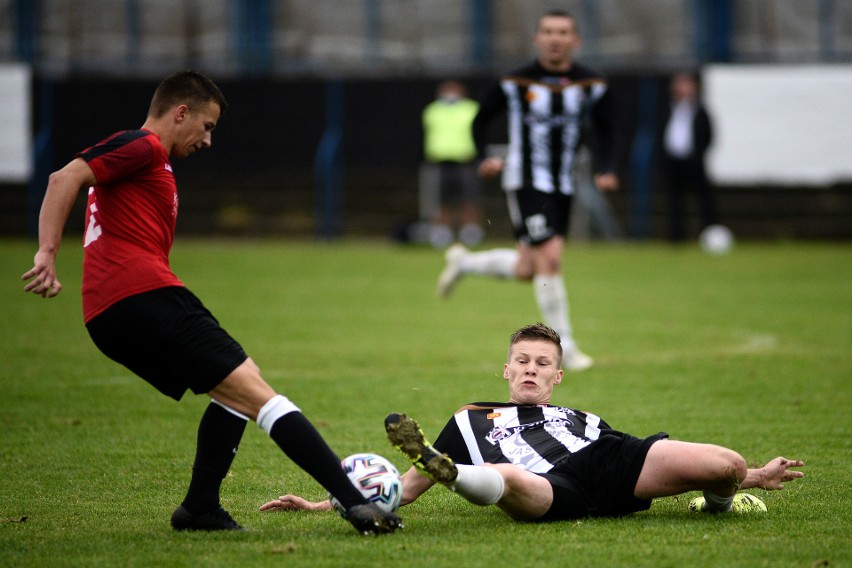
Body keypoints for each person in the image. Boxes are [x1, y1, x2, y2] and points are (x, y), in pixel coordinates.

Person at [21, 70, 401, 536]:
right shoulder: (144, 146)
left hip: (109, 313)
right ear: (181, 112)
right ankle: (358, 503)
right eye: (207, 126)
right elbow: (64, 177)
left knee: (237, 391)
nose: (208, 140)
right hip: (143, 296)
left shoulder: (147, 161)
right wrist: (47, 252)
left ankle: (200, 507)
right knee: (262, 397)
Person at [261, 323, 804, 521]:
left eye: (542, 363)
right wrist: (320, 502)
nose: (530, 369)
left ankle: (719, 502)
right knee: (511, 478)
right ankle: (457, 473)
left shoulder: (577, 415)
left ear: (557, 376)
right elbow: (400, 490)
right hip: (549, 487)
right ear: (506, 368)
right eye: (521, 361)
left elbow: (628, 450)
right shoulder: (469, 419)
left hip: (610, 459)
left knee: (725, 463)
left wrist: (751, 475)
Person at [436, 10, 619, 372]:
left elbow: (609, 128)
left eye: (563, 32)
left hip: (563, 183)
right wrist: (484, 156)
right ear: (537, 38)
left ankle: (465, 263)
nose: (555, 38)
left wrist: (608, 167)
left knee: (528, 268)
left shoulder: (591, 84)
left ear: (575, 41)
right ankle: (565, 345)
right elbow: (480, 118)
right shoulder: (515, 81)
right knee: (550, 258)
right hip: (524, 180)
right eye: (548, 31)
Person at [420, 80, 484, 248]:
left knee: (469, 199)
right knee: (441, 201)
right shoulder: (432, 110)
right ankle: (441, 235)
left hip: (465, 161)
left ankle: (471, 233)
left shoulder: (471, 109)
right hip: (440, 162)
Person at [661, 72, 717, 242]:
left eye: (687, 84)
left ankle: (711, 234)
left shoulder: (700, 110)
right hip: (673, 161)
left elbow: (708, 135)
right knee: (675, 200)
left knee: (704, 199)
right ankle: (677, 238)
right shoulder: (668, 108)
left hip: (694, 161)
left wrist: (698, 154)